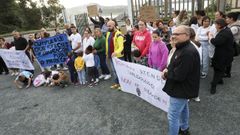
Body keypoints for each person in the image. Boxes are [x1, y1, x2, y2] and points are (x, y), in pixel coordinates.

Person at [162, 25, 200, 135]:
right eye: (173, 34)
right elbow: (174, 65)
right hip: (182, 88)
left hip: (181, 89)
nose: (173, 36)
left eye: (177, 34)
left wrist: (166, 74)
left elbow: (179, 75)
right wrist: (167, 70)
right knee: (183, 109)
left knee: (172, 116)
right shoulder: (181, 47)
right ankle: (184, 128)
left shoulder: (187, 52)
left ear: (187, 35)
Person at [208, 19, 234, 94]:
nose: (215, 26)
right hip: (223, 54)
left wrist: (210, 37)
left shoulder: (224, 33)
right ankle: (220, 81)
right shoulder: (226, 30)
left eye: (215, 24)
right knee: (218, 68)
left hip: (223, 55)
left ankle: (213, 85)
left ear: (219, 25)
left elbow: (216, 42)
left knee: (219, 70)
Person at [105, 20, 124, 90]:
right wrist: (107, 53)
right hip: (111, 56)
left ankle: (122, 84)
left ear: (114, 25)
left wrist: (116, 52)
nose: (108, 27)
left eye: (109, 26)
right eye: (107, 26)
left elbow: (121, 47)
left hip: (118, 57)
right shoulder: (108, 33)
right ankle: (117, 83)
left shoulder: (119, 34)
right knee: (113, 71)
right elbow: (107, 43)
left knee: (119, 71)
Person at [226, 12, 240, 77]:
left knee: (228, 59)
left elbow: (226, 36)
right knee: (228, 59)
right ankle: (227, 72)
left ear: (231, 19)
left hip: (232, 46)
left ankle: (227, 73)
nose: (226, 19)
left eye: (227, 18)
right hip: (231, 46)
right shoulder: (231, 26)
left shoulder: (234, 28)